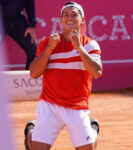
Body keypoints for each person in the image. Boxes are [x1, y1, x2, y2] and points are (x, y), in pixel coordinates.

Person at [24, 1, 103, 150]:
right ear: (61, 20)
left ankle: (92, 130)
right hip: (50, 106)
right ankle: (31, 132)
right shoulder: (47, 42)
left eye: (74, 14)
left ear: (82, 20)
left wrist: (78, 47)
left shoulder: (90, 44)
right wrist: (49, 49)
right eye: (66, 15)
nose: (69, 18)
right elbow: (34, 73)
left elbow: (97, 72)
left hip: (77, 107)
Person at [0, 0, 37, 70]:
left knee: (33, 51)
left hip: (18, 21)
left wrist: (32, 25)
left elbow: (30, 3)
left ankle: (28, 78)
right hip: (1, 21)